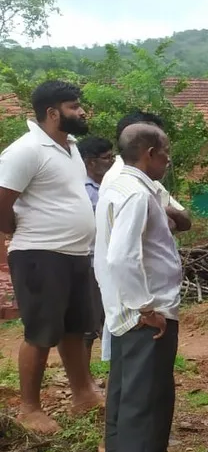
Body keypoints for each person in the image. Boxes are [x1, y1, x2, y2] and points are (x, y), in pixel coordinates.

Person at [0, 80, 103, 434]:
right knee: (41, 331)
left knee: (74, 328)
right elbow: (2, 200)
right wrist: (12, 228)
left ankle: (83, 394)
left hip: (75, 254)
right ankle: (29, 408)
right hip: (39, 254)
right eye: (74, 106)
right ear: (52, 112)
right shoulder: (26, 150)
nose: (82, 111)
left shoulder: (70, 148)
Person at [95, 123, 182, 452]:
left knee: (125, 403)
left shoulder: (118, 185)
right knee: (147, 408)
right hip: (146, 316)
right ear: (149, 153)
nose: (168, 159)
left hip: (125, 312)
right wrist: (146, 308)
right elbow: (121, 257)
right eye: (165, 152)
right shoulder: (136, 195)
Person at [102, 111, 191, 233]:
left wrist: (161, 212)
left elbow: (184, 219)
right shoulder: (130, 188)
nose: (168, 158)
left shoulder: (143, 177)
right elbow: (126, 244)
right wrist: (160, 214)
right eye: (164, 149)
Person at [79, 136, 115, 360]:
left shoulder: (110, 185)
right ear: (90, 162)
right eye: (107, 158)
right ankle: (83, 376)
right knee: (88, 323)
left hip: (111, 261)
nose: (112, 162)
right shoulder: (82, 190)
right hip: (90, 263)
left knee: (111, 318)